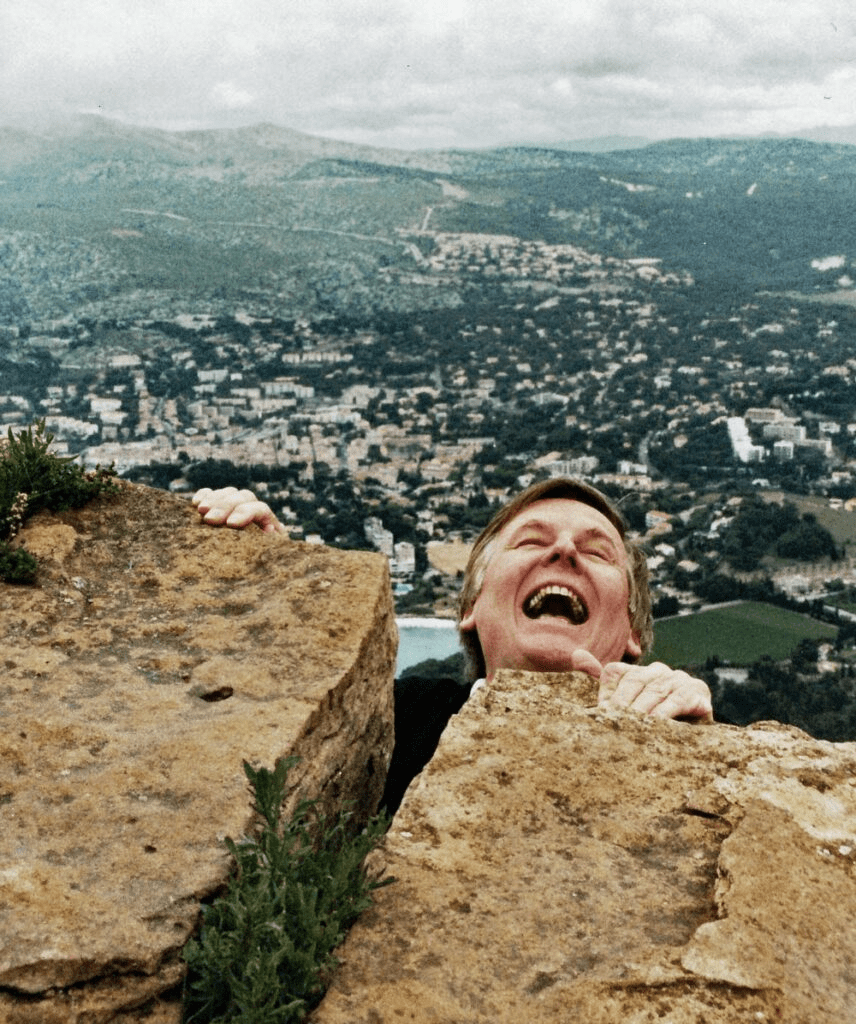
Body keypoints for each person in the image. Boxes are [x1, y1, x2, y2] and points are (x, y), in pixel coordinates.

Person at [192, 478, 713, 811]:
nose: (564, 549)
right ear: (471, 608)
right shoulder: (396, 719)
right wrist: (264, 587)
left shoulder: (667, 738)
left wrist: (704, 753)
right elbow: (271, 740)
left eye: (598, 553)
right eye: (531, 541)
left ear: (632, 635)